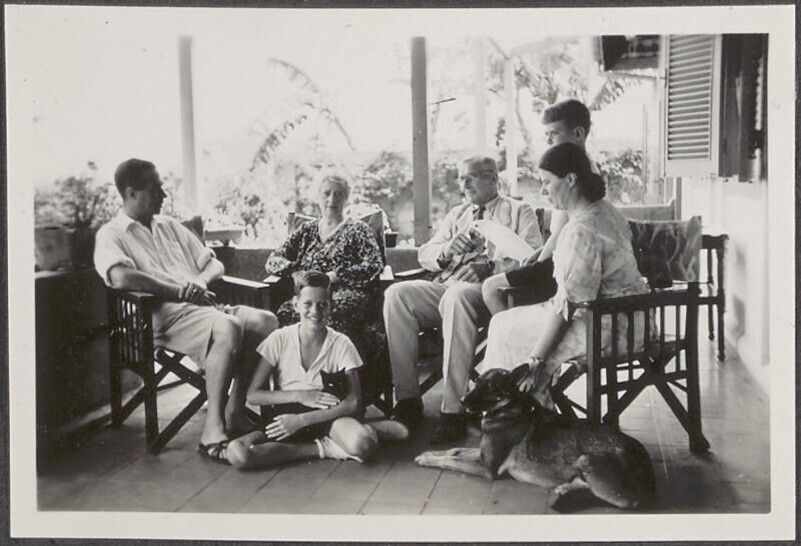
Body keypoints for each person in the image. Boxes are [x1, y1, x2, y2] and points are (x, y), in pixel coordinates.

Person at [94, 158, 278, 462]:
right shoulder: (111, 234)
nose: (164, 195)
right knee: (229, 327)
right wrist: (178, 291)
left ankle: (234, 410)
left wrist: (199, 282)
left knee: (265, 322)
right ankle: (212, 429)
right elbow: (120, 277)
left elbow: (214, 264)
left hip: (203, 308)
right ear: (130, 193)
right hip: (159, 318)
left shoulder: (169, 226)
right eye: (156, 189)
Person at [383, 155, 542, 443]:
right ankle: (407, 400)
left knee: (457, 297)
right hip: (447, 285)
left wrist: (491, 266)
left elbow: (533, 261)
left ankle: (453, 410)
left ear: (492, 178)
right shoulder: (458, 214)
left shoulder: (520, 211)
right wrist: (446, 251)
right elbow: (425, 254)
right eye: (461, 178)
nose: (464, 184)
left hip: (491, 293)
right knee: (397, 294)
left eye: (471, 177)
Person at [482, 142, 650, 406]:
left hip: (606, 328)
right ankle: (530, 405)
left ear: (570, 180)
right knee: (509, 323)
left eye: (547, 182)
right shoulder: (606, 211)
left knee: (505, 329)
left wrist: (537, 358)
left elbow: (567, 307)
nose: (543, 191)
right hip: (634, 321)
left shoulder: (580, 230)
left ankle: (518, 413)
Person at [226, 271, 408, 470]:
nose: (315, 311)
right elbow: (253, 395)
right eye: (308, 304)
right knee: (238, 454)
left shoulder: (341, 343)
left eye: (322, 304)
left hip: (328, 417)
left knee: (363, 444)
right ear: (295, 304)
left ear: (332, 306)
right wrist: (301, 396)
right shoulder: (279, 339)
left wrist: (302, 420)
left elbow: (354, 402)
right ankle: (328, 448)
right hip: (286, 418)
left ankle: (337, 441)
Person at [264, 174, 385, 386]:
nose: (332, 199)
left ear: (346, 198)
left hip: (347, 293)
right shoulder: (306, 231)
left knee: (333, 312)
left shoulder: (358, 230)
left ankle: (339, 388)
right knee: (286, 311)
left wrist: (335, 276)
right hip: (309, 294)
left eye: (338, 194)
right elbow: (273, 260)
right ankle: (294, 384)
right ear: (317, 197)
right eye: (326, 193)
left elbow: (374, 265)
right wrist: (296, 272)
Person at [482, 99, 599, 315]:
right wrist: (538, 254)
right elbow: (559, 233)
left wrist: (537, 264)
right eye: (546, 135)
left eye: (554, 133)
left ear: (578, 133)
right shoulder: (568, 167)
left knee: (491, 289)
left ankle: (510, 331)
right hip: (558, 256)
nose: (548, 141)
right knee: (497, 282)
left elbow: (567, 235)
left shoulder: (581, 175)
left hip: (568, 267)